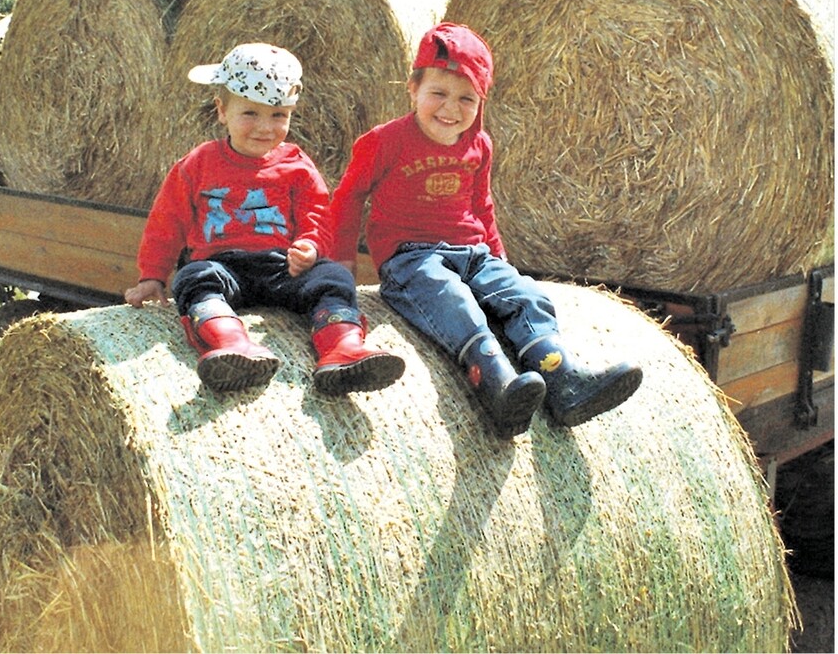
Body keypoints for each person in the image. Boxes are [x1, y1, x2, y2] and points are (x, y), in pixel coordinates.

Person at [329, 22, 641, 438]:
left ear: (481, 102)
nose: (450, 109)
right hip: (411, 258)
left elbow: (482, 205)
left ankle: (563, 380)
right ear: (413, 88)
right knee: (452, 300)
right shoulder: (385, 141)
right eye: (438, 93)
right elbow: (348, 198)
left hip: (473, 253)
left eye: (466, 99)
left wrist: (500, 261)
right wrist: (341, 265)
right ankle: (495, 382)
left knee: (527, 296)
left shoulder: (480, 144)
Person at [125, 41, 405, 397]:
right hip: (222, 266)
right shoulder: (198, 164)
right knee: (193, 277)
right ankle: (230, 344)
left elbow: (318, 213)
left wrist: (311, 245)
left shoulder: (296, 165)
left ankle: (342, 346)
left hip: (282, 269)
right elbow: (167, 221)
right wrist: (152, 275)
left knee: (333, 276)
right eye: (250, 114)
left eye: (278, 115)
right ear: (221, 111)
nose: (265, 127)